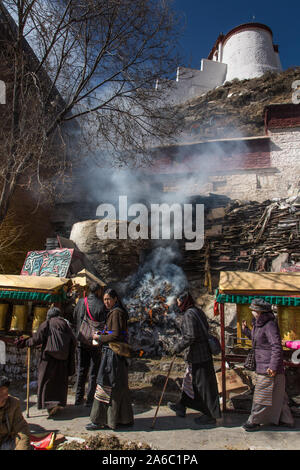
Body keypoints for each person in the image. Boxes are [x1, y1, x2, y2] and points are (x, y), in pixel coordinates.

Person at [168, 291, 221, 426]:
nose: (177, 303)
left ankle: (210, 415)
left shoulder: (189, 315)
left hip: (198, 355)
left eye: (179, 301)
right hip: (201, 354)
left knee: (203, 386)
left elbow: (190, 336)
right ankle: (182, 405)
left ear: (184, 301)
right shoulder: (197, 311)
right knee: (190, 381)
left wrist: (177, 348)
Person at [241, 298, 294, 431]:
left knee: (261, 395)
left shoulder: (269, 325)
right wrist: (246, 330)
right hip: (266, 364)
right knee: (278, 395)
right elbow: (257, 340)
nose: (252, 311)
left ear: (259, 311)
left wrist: (273, 366)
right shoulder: (259, 325)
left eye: (253, 310)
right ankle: (286, 419)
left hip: (268, 367)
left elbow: (276, 346)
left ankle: (254, 421)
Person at [85, 288, 133, 431]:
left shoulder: (116, 313)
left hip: (112, 356)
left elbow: (116, 335)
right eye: (105, 299)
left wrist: (99, 337)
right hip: (115, 356)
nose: (106, 302)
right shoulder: (116, 312)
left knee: (104, 384)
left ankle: (99, 420)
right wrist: (105, 332)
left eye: (108, 299)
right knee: (118, 387)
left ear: (115, 299)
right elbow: (113, 331)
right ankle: (124, 419)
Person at [16, 307, 77, 418]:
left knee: (46, 382)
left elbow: (36, 339)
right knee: (59, 383)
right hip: (63, 360)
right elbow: (74, 340)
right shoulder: (65, 324)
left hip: (48, 359)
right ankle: (58, 403)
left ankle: (50, 405)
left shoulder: (47, 323)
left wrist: (25, 342)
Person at [73, 282, 106, 407]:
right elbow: (104, 324)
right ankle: (90, 399)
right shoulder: (101, 305)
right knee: (94, 371)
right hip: (95, 340)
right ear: (98, 291)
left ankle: (78, 398)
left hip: (82, 338)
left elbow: (74, 315)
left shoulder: (81, 302)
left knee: (81, 369)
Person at [0, 375, 31, 450]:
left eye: (6, 392)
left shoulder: (13, 403)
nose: (4, 397)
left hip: (5, 441)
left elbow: (21, 429)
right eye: (0, 394)